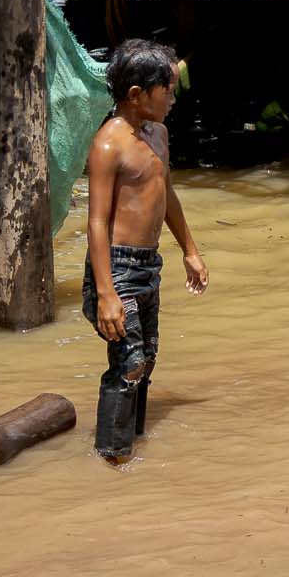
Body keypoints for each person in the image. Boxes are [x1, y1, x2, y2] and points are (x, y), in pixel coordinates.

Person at [82, 38, 209, 463]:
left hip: (147, 265)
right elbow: (96, 222)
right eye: (167, 90)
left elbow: (165, 192)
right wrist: (105, 294)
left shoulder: (158, 134)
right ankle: (112, 455)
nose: (173, 98)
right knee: (129, 362)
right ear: (137, 96)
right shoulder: (108, 144)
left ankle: (132, 446)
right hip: (115, 268)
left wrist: (189, 249)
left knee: (147, 358)